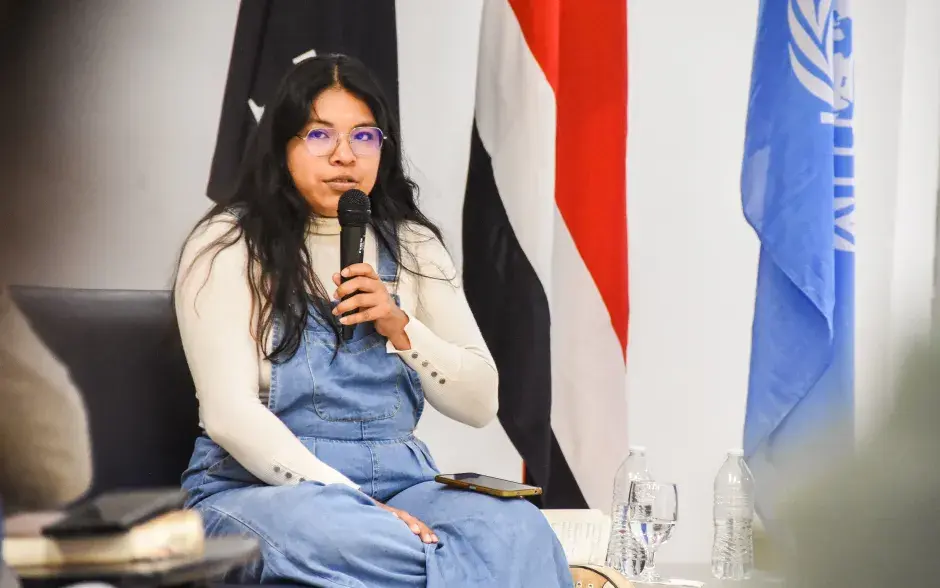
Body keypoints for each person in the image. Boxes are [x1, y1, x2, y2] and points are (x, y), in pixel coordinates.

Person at [174, 54, 572, 587]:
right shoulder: (226, 245)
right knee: (340, 539)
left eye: (364, 137)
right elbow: (229, 416)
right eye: (320, 136)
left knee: (517, 530)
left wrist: (402, 328)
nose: (344, 155)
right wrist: (353, 504)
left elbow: (481, 403)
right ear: (283, 145)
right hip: (263, 491)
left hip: (404, 484)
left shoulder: (412, 244)